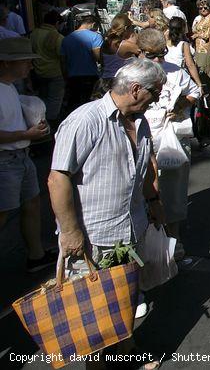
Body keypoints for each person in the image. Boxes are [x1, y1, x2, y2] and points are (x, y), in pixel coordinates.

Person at [48, 58, 166, 369]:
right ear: (136, 89)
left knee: (123, 299)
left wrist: (153, 201)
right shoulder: (85, 120)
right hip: (94, 236)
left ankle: (127, 353)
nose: (157, 99)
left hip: (130, 229)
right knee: (92, 314)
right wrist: (71, 232)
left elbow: (140, 169)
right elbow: (57, 178)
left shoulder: (139, 121)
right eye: (155, 92)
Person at [136, 28, 199, 258]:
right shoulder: (128, 74)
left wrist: (181, 105)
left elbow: (195, 93)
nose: (159, 60)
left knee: (173, 190)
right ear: (140, 53)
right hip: (141, 140)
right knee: (142, 192)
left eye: (162, 54)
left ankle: (174, 239)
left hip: (172, 138)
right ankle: (146, 240)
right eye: (153, 56)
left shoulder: (175, 71)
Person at [0, 38, 56, 272]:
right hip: (5, 160)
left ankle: (36, 255)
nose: (30, 67)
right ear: (5, 63)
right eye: (25, 61)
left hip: (20, 156)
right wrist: (27, 133)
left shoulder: (10, 86)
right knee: (3, 213)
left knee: (31, 203)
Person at [60, 13, 103, 113]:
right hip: (90, 75)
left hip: (72, 76)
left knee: (75, 104)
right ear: (93, 24)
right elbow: (97, 57)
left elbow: (62, 60)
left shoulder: (66, 39)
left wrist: (65, 75)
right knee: (90, 105)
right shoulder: (95, 36)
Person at [29, 10, 65, 125]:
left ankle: (42, 119)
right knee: (55, 98)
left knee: (43, 97)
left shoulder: (34, 33)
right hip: (54, 72)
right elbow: (62, 56)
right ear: (57, 23)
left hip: (37, 71)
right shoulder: (57, 37)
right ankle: (51, 121)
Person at [95, 14, 141, 97]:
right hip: (119, 83)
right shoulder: (125, 45)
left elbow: (101, 62)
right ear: (127, 29)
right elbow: (146, 55)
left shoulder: (105, 43)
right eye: (132, 27)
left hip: (104, 82)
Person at [166, 16, 203, 89]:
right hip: (179, 77)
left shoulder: (164, 42)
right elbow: (190, 65)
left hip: (166, 76)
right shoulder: (183, 44)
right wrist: (199, 84)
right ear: (182, 30)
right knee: (194, 94)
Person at [191, 0, 210, 85]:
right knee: (199, 70)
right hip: (198, 47)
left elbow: (209, 35)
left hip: (205, 48)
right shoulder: (201, 18)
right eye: (200, 8)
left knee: (204, 71)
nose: (203, 10)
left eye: (205, 7)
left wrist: (197, 35)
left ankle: (209, 93)